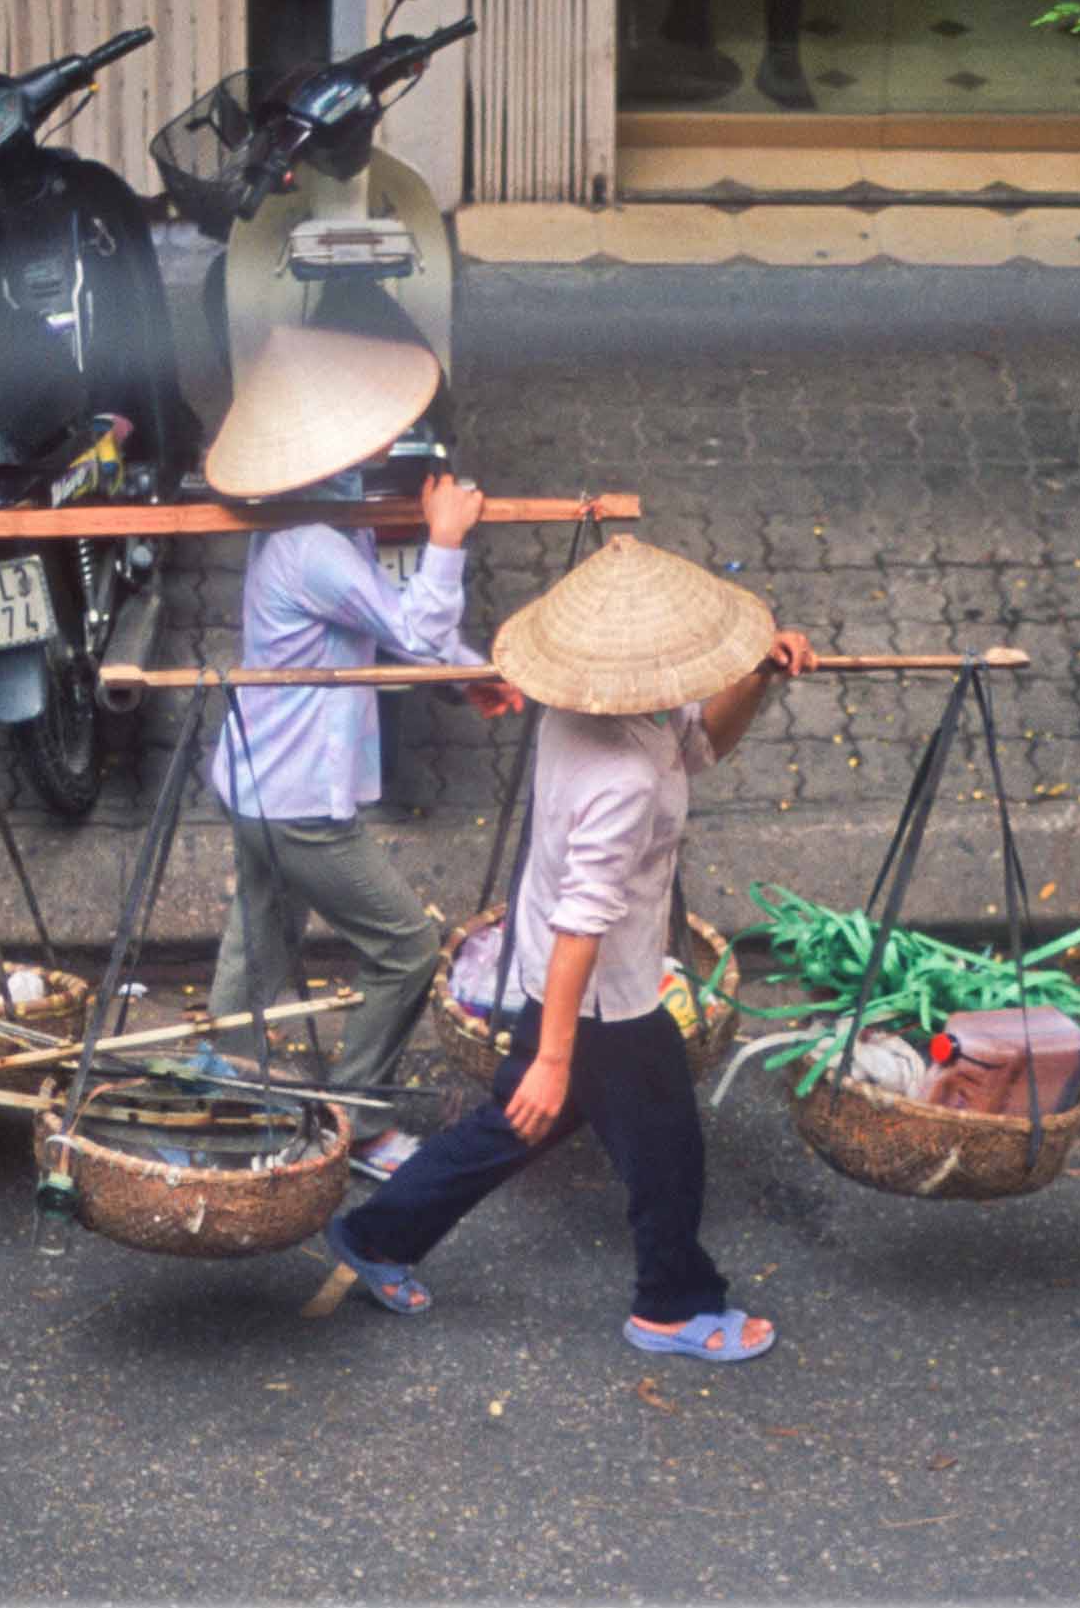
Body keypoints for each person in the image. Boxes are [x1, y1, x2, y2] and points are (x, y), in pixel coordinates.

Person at [326, 534, 814, 1363]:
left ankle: (376, 1235)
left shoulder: (612, 705)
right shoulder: (619, 778)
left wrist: (759, 676)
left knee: (515, 1126)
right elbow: (580, 924)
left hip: (580, 979)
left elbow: (701, 749)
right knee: (666, 1149)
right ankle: (672, 1305)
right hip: (595, 995)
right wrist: (557, 1057)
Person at [201, 308, 521, 1182]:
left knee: (262, 937)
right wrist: (448, 543)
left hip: (261, 785)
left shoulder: (326, 534)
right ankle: (357, 1119)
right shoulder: (313, 547)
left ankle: (215, 1083)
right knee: (406, 948)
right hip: (299, 801)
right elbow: (410, 623)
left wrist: (469, 671)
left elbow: (390, 626)